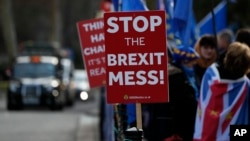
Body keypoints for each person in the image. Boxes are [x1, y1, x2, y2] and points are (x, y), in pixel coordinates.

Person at [193, 42, 250, 141]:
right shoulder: (246, 85)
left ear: (227, 58)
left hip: (207, 132)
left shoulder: (210, 74)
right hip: (234, 135)